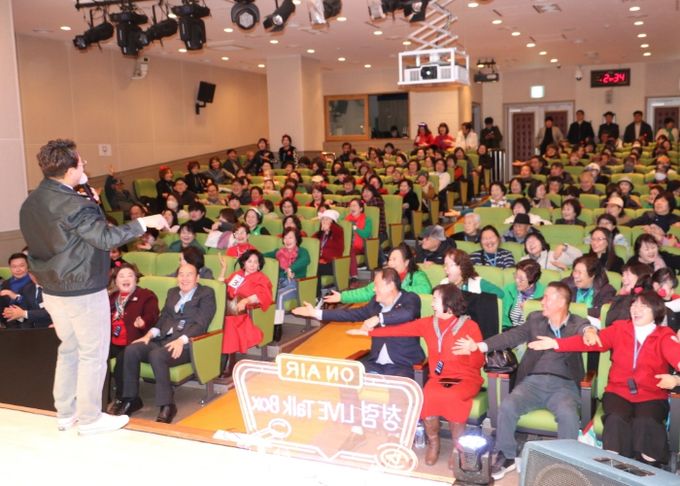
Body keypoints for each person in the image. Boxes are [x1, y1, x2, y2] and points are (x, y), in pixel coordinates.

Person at [19, 139, 168, 434]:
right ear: (69, 169)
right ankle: (89, 418)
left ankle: (66, 413)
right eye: (80, 161)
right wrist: (143, 223)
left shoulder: (32, 201)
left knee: (69, 349)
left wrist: (89, 201)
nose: (84, 163)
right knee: (92, 353)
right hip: (83, 290)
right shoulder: (76, 204)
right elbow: (105, 239)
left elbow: (69, 235)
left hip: (53, 289)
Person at [454, 282, 593, 480]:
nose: (542, 301)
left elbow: (587, 330)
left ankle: (565, 465)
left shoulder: (577, 323)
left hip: (564, 386)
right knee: (507, 406)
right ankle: (507, 455)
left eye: (547, 298)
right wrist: (479, 346)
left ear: (561, 302)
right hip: (532, 383)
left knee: (568, 414)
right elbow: (511, 336)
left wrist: (590, 331)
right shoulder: (536, 319)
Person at [528, 290, 680, 466]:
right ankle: (615, 469)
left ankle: (647, 469)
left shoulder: (664, 335)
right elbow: (590, 342)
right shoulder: (620, 328)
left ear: (656, 311)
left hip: (651, 394)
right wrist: (556, 343)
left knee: (646, 422)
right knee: (615, 419)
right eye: (634, 304)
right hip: (618, 391)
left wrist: (676, 380)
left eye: (643, 306)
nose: (636, 309)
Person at [348, 284, 484, 468]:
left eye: (435, 300)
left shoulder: (470, 326)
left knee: (452, 396)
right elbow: (399, 330)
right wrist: (369, 332)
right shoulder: (429, 323)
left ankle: (457, 448)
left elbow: (478, 363)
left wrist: (473, 350)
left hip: (466, 378)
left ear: (449, 303)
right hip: (439, 378)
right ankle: (434, 444)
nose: (432, 304)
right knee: (426, 396)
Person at [118, 263, 215, 423]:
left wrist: (181, 340)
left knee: (157, 355)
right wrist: (148, 335)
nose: (184, 278)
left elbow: (201, 324)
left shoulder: (206, 293)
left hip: (187, 344)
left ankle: (167, 404)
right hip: (164, 340)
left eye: (189, 274)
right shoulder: (173, 292)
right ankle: (131, 398)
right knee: (132, 349)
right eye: (181, 274)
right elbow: (163, 318)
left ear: (197, 278)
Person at [294, 267, 422, 379]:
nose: (374, 289)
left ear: (390, 285)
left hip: (403, 365)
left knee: (398, 389)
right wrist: (316, 313)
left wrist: (379, 318)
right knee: (347, 375)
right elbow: (350, 314)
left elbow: (407, 314)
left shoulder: (410, 298)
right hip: (376, 364)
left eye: (376, 285)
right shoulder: (375, 303)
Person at [106, 263, 159, 415]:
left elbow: (153, 315)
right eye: (121, 276)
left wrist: (143, 322)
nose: (126, 279)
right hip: (112, 340)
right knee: (96, 355)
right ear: (116, 281)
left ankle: (123, 399)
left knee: (121, 361)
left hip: (133, 341)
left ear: (136, 279)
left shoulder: (146, 295)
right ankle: (103, 396)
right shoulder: (112, 297)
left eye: (130, 275)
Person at [219, 249, 272, 377]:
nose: (252, 264)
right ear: (244, 263)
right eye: (249, 261)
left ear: (259, 265)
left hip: (245, 313)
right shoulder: (238, 275)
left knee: (229, 322)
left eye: (255, 262)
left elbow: (262, 295)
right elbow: (223, 287)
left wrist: (246, 300)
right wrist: (223, 269)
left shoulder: (261, 278)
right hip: (229, 308)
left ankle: (229, 360)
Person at [324, 243, 432, 305]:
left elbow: (425, 290)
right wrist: (342, 296)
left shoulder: (417, 275)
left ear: (406, 262)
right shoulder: (386, 276)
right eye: (389, 259)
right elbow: (367, 291)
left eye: (394, 259)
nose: (390, 263)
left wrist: (395, 289)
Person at [264, 228, 310, 340]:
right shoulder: (279, 252)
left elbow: (305, 260)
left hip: (295, 284)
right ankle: (265, 325)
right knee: (266, 293)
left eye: (290, 237)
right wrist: (251, 256)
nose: (287, 240)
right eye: (285, 238)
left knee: (279, 296)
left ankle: (277, 327)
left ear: (296, 239)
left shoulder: (302, 251)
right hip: (280, 282)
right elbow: (263, 255)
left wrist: (290, 268)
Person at [0, 253, 52, 329]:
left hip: (46, 326)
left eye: (21, 266)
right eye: (14, 266)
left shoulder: (51, 288)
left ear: (27, 267)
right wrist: (10, 314)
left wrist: (23, 313)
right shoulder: (27, 288)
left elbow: (51, 311)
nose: (18, 269)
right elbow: (20, 308)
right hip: (16, 325)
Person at [562, 254, 616, 319]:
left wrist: (572, 309)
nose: (575, 276)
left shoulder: (607, 290)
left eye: (580, 272)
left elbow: (600, 312)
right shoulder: (565, 284)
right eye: (575, 271)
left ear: (592, 275)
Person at [502, 259, 545, 330]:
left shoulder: (544, 294)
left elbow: (542, 323)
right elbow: (503, 319)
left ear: (532, 282)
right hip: (509, 331)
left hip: (531, 332)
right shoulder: (508, 289)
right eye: (516, 276)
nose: (516, 281)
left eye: (521, 279)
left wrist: (528, 308)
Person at [313, 209, 344, 283]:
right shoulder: (319, 234)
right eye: (323, 219)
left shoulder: (338, 231)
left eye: (327, 219)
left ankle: (317, 291)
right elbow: (311, 242)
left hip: (333, 263)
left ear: (333, 222)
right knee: (312, 266)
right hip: (320, 262)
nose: (324, 221)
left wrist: (330, 226)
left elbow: (336, 229)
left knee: (316, 268)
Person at [345, 198, 372, 281]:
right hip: (350, 244)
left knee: (350, 250)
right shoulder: (346, 219)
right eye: (351, 206)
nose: (352, 208)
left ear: (361, 209)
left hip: (362, 245)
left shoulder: (367, 219)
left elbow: (366, 234)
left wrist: (356, 228)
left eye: (354, 206)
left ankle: (354, 275)